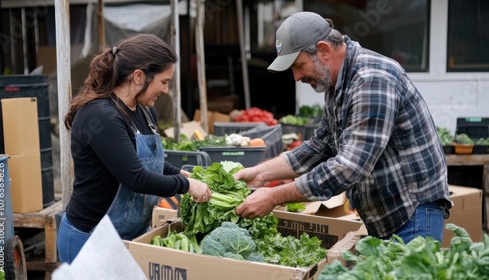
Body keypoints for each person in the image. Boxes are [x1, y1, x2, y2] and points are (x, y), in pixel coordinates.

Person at [234, 12, 452, 244]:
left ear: (324, 50)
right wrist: (259, 174)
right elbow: (320, 146)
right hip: (388, 212)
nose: (296, 77)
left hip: (412, 213)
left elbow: (349, 167)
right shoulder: (336, 82)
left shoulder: (372, 80)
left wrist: (274, 197)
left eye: (298, 66)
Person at [57, 34, 212, 263]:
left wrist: (178, 173)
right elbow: (135, 177)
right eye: (164, 81)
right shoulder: (102, 116)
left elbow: (145, 161)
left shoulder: (146, 112)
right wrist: (186, 185)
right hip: (89, 240)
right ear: (139, 76)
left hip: (128, 238)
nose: (166, 90)